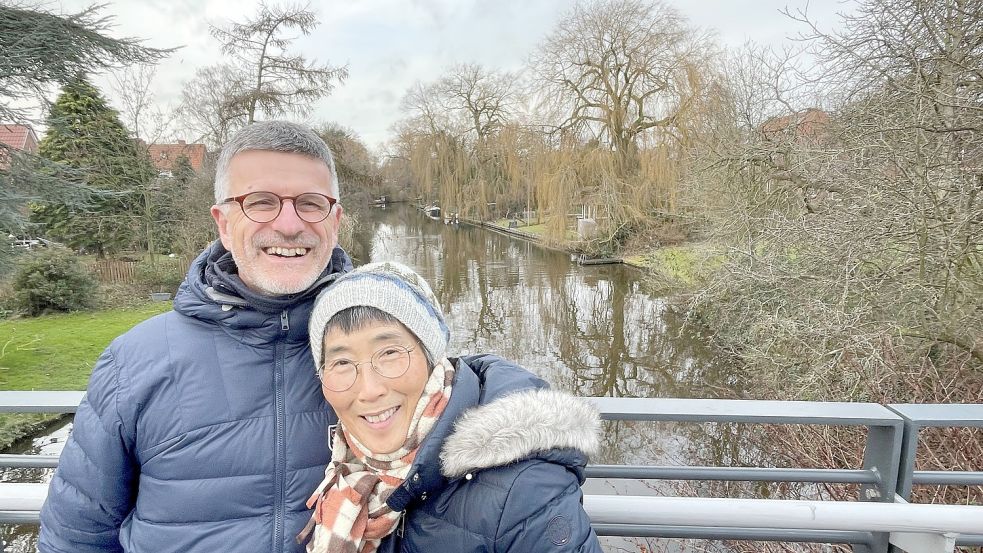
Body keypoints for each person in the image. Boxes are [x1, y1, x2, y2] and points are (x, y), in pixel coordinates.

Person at [39, 121, 353, 553]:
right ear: (223, 223)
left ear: (334, 221)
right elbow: (76, 536)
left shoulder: (387, 347)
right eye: (260, 202)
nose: (288, 224)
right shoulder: (134, 361)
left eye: (310, 203)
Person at [299, 261, 603, 552]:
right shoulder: (344, 468)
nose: (369, 390)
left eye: (389, 353)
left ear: (432, 360)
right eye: (341, 362)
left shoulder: (522, 492)